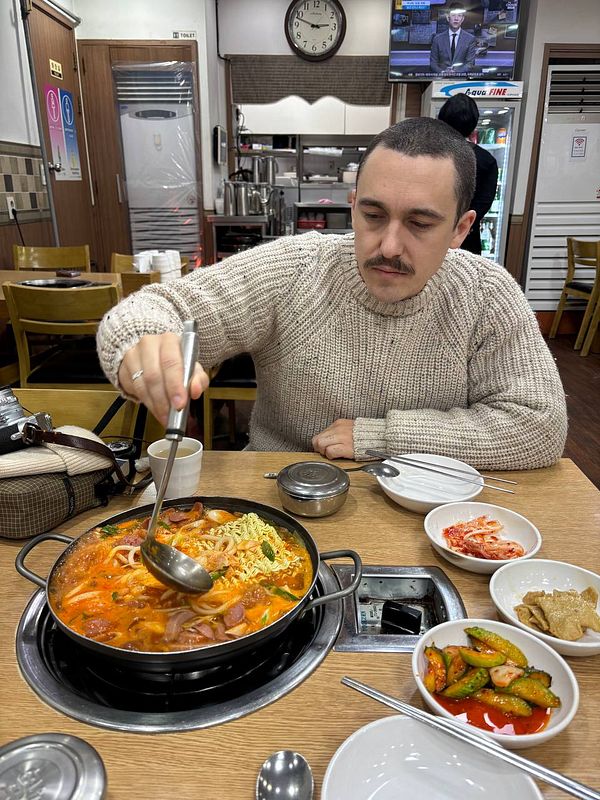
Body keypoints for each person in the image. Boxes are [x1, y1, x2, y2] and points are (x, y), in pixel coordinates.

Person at [97, 117, 567, 471]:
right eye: (373, 215)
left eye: (420, 224)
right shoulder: (294, 268)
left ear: (461, 229)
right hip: (276, 498)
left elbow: (540, 428)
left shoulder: (486, 294)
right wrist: (142, 343)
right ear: (353, 205)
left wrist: (383, 436)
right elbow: (158, 306)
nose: (389, 246)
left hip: (433, 514)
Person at [438, 93, 499, 255]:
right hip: (466, 236)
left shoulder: (430, 153)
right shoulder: (486, 160)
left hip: (430, 232)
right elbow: (484, 202)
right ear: (473, 123)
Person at [430, 3, 477, 75]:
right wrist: (443, 72)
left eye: (459, 15)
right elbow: (433, 63)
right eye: (453, 15)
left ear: (462, 19)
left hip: (461, 80)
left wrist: (455, 72)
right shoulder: (437, 39)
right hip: (441, 80)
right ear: (448, 17)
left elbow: (470, 64)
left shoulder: (470, 39)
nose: (456, 18)